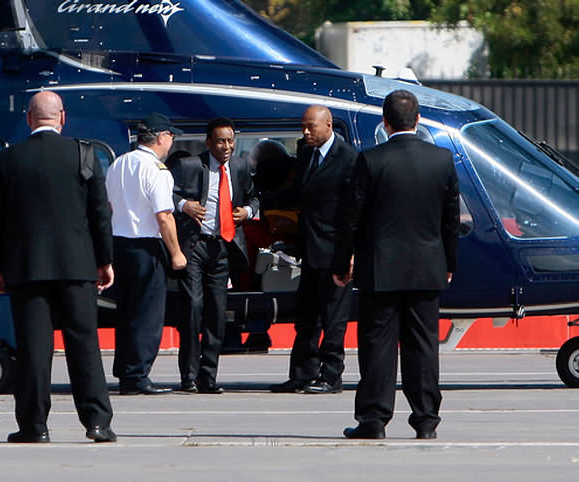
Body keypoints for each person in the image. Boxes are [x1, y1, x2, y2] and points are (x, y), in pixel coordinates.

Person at [0, 91, 116, 444]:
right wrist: (104, 260)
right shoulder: (85, 155)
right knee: (84, 344)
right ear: (62, 117)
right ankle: (97, 422)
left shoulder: (6, 160)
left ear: (29, 118)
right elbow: (100, 215)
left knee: (33, 348)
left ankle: (34, 425)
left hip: (27, 267)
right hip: (77, 266)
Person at [333, 89, 460, 439]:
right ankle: (426, 421)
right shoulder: (442, 160)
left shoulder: (370, 160)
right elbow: (451, 220)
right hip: (427, 267)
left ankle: (374, 419)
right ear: (417, 120)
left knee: (378, 345)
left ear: (385, 122)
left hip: (380, 267)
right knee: (423, 345)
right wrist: (449, 261)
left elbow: (351, 220)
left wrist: (342, 262)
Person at [270, 105, 358, 394]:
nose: (306, 132)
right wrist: (259, 201)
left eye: (312, 127)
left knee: (334, 317)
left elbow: (353, 211)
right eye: (303, 126)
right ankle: (302, 373)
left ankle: (331, 375)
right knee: (306, 314)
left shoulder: (348, 158)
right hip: (309, 249)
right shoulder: (307, 154)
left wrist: (350, 254)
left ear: (328, 126)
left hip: (336, 251)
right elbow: (296, 193)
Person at [170, 117, 259, 393]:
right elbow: (164, 194)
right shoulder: (190, 166)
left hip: (222, 247)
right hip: (195, 246)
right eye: (220, 141)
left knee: (217, 313)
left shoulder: (241, 167)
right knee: (193, 309)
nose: (226, 146)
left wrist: (248, 212)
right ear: (209, 143)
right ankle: (189, 376)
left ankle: (208, 376)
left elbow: (255, 198)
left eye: (230, 140)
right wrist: (184, 205)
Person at [106, 112, 187, 395]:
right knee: (148, 314)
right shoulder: (157, 170)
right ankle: (138, 375)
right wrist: (176, 253)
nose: (171, 142)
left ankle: (127, 371)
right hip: (145, 246)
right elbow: (164, 216)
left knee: (127, 312)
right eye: (171, 137)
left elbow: (109, 207)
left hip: (119, 244)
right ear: (162, 137)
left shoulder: (118, 164)